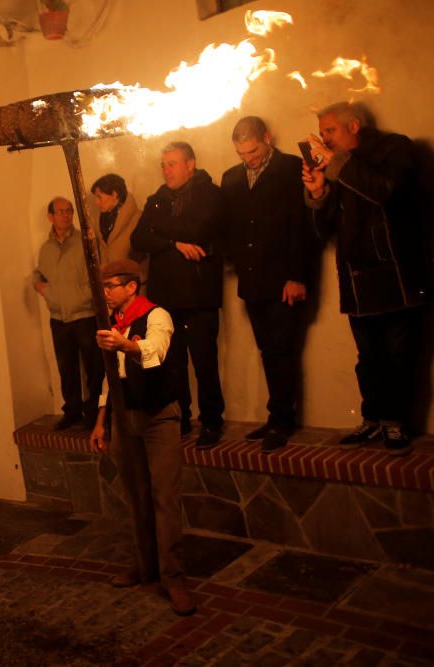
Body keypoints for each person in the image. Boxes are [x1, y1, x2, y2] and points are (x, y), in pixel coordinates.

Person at [303, 102, 431, 455]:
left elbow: (387, 191)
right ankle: (372, 419)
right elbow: (323, 230)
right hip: (356, 278)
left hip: (396, 275)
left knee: (399, 353)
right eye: (322, 131)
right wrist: (318, 193)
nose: (323, 139)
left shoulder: (394, 148)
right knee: (368, 356)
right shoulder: (338, 165)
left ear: (354, 125)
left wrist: (337, 166)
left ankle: (395, 423)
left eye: (330, 130)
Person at [89, 259, 193, 617]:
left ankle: (173, 577)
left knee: (165, 497)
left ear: (131, 287)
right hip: (124, 417)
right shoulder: (113, 324)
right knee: (136, 496)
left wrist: (127, 346)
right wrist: (102, 420)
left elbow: (156, 351)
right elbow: (110, 377)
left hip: (159, 417)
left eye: (111, 286)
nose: (105, 293)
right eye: (102, 287)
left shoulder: (156, 315)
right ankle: (145, 565)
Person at [222, 116, 311, 453]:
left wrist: (297, 275)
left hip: (284, 279)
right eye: (242, 153)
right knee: (268, 351)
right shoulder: (231, 177)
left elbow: (301, 226)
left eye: (253, 150)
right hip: (252, 280)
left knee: (282, 351)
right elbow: (232, 225)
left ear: (267, 138)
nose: (249, 158)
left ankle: (283, 421)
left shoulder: (291, 168)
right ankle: (276, 417)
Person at [131, 142, 226, 448]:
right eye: (163, 164)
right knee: (172, 365)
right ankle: (181, 418)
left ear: (190, 164)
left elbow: (195, 229)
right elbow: (139, 237)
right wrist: (174, 244)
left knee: (204, 363)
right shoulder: (158, 199)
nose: (166, 170)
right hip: (166, 299)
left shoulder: (210, 194)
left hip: (199, 296)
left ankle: (212, 422)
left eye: (172, 163)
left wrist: (163, 232)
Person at [33, 196, 104, 430]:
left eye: (69, 211)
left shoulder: (85, 241)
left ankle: (94, 413)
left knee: (94, 368)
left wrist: (81, 297)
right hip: (59, 319)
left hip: (85, 315)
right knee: (67, 368)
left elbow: (97, 275)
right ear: (50, 217)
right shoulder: (46, 249)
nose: (65, 215)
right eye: (60, 212)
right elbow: (40, 275)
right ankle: (72, 410)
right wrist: (42, 288)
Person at [91, 173, 146, 280]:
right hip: (107, 284)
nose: (96, 202)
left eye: (99, 197)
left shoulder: (138, 218)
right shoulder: (98, 220)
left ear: (114, 194)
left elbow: (142, 258)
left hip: (130, 284)